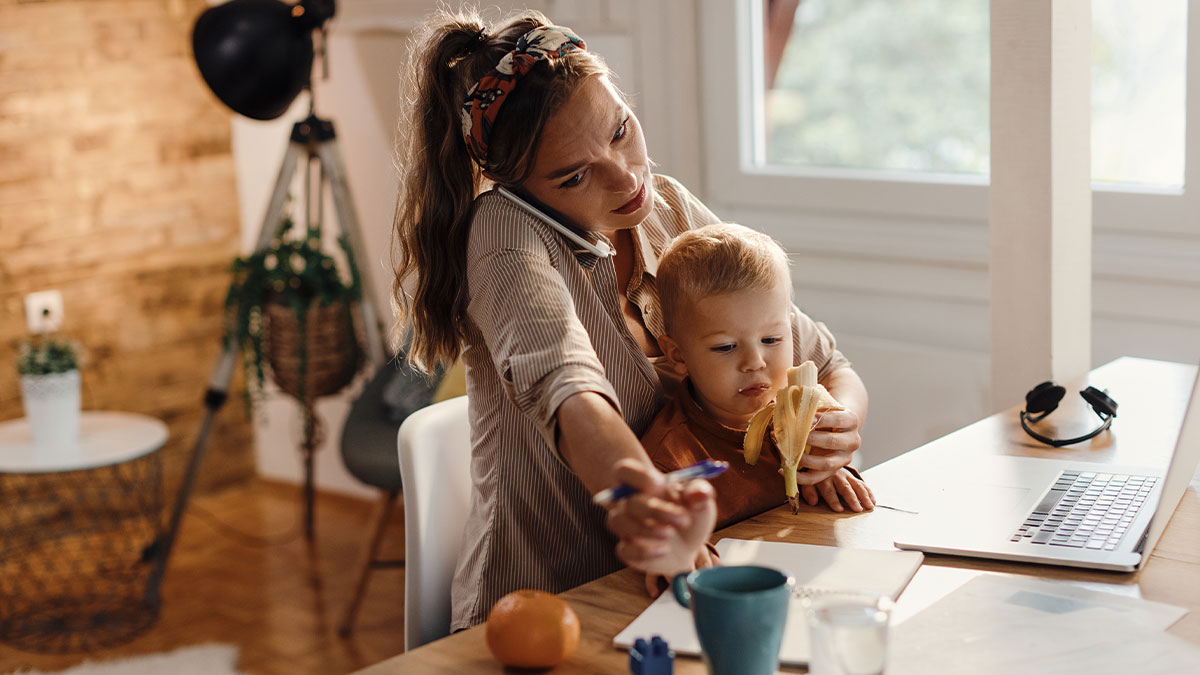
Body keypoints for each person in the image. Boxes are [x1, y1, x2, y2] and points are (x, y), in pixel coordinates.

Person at [391, 8, 868, 631]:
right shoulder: (504, 232)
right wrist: (650, 502)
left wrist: (838, 426)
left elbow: (824, 360)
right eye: (574, 175)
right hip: (555, 604)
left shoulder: (663, 205)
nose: (626, 179)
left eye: (620, 130)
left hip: (689, 578)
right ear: (516, 186)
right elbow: (570, 391)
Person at [645, 223, 875, 533]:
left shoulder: (809, 427)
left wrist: (831, 464)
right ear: (677, 354)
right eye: (725, 347)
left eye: (771, 340)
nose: (755, 362)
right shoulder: (669, 461)